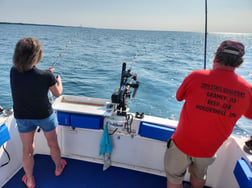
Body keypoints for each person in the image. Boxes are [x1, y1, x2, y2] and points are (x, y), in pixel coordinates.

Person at [164, 40, 252, 188]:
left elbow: (179, 97)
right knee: (199, 176)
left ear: (216, 57)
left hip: (182, 143)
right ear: (239, 63)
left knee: (174, 177)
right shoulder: (247, 89)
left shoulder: (196, 76)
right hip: (208, 149)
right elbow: (249, 115)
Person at [10, 37, 67, 188]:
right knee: (53, 144)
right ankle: (58, 167)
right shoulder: (46, 76)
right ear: (37, 55)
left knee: (27, 150)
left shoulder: (13, 71)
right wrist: (57, 80)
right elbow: (57, 93)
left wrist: (45, 75)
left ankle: (29, 180)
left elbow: (30, 77)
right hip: (44, 116)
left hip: (22, 117)